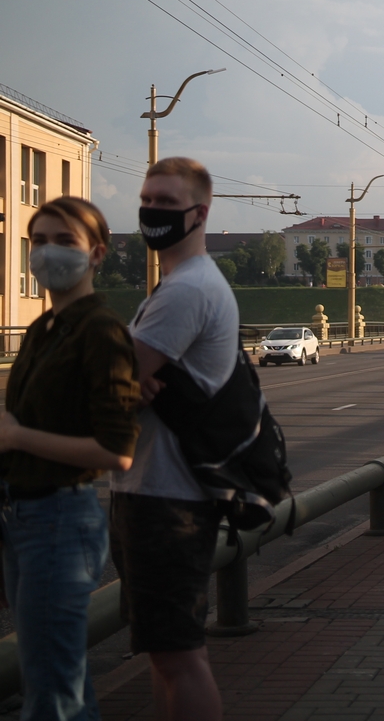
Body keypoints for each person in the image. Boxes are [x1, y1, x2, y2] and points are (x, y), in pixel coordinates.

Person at [0, 198, 139, 720]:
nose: (48, 252)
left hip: (59, 520)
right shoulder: (43, 328)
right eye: (38, 241)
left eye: (65, 241)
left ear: (96, 253)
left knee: (54, 692)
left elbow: (116, 450)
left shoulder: (100, 330)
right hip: (22, 516)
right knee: (48, 680)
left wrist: (17, 437)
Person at [109, 157, 234, 721]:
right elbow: (121, 379)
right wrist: (126, 380)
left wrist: (120, 378)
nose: (151, 211)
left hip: (169, 497)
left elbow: (105, 381)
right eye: (147, 199)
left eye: (165, 201)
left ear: (199, 212)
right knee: (165, 654)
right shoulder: (176, 286)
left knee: (179, 655)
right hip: (153, 490)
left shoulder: (187, 289)